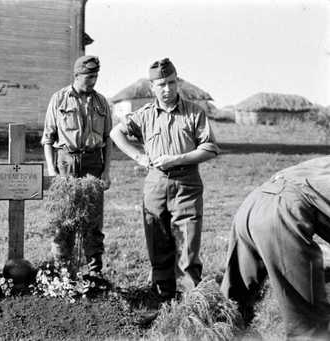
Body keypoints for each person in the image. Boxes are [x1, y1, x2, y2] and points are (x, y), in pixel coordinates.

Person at [110, 58, 219, 300]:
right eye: (161, 85)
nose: (167, 89)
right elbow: (115, 133)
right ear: (152, 88)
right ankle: (162, 298)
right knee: (157, 243)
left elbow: (210, 148)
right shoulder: (145, 115)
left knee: (188, 248)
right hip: (155, 184)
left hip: (186, 184)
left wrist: (177, 159)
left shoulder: (194, 112)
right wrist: (138, 156)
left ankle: (192, 302)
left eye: (171, 83)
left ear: (177, 82)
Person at [221, 156, 330, 339]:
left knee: (232, 307)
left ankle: (198, 333)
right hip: (283, 213)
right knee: (310, 325)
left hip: (253, 204)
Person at [41, 55, 112, 279]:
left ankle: (94, 273)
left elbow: (108, 139)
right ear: (77, 75)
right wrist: (52, 171)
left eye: (96, 77)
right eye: (89, 77)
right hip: (66, 164)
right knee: (65, 221)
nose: (93, 81)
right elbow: (47, 139)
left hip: (93, 163)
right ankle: (63, 271)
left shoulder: (101, 102)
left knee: (93, 220)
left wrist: (106, 171)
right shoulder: (59, 99)